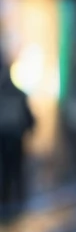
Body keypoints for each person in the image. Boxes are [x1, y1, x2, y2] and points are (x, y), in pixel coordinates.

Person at [0, 59, 35, 215]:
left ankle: (9, 199)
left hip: (7, 136)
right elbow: (29, 117)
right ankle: (17, 199)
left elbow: (27, 117)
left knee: (9, 169)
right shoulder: (18, 93)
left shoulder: (10, 93)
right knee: (15, 169)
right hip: (14, 136)